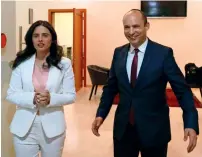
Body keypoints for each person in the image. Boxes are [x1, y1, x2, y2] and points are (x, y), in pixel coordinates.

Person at [91, 9, 199, 157]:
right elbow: (110, 88)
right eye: (126, 27)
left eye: (136, 26)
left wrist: (191, 123)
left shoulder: (163, 54)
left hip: (155, 132)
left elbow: (183, 91)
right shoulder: (118, 53)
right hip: (124, 131)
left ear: (147, 26)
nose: (131, 31)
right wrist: (100, 114)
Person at [6, 20, 76, 157]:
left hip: (53, 127)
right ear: (31, 39)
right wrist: (31, 98)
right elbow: (11, 94)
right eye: (36, 35)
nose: (40, 39)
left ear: (52, 39)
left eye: (45, 35)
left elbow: (71, 95)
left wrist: (51, 98)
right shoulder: (21, 62)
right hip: (24, 127)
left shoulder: (64, 64)